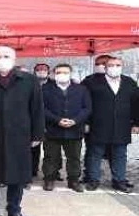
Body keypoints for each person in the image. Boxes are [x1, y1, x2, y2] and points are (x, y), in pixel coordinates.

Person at [0, 46, 44, 216]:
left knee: (17, 174)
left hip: (19, 135)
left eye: (6, 56)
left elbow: (37, 109)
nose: (2, 59)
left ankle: (14, 210)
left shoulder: (29, 81)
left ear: (14, 59)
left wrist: (37, 133)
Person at [83, 57, 139, 193]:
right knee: (95, 153)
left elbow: (136, 104)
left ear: (122, 66)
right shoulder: (91, 82)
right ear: (105, 67)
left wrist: (136, 123)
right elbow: (85, 103)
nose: (115, 67)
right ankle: (93, 179)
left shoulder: (129, 82)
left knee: (120, 154)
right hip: (98, 124)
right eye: (111, 65)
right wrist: (85, 122)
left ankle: (119, 180)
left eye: (118, 65)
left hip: (122, 125)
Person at [41, 64, 91, 192]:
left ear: (71, 73)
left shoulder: (81, 89)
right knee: (51, 156)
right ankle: (49, 179)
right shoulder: (45, 89)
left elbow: (87, 108)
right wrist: (57, 120)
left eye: (65, 72)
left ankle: (73, 180)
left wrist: (75, 120)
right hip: (52, 129)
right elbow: (41, 108)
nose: (62, 75)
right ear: (53, 74)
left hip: (74, 130)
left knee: (74, 157)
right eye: (59, 72)